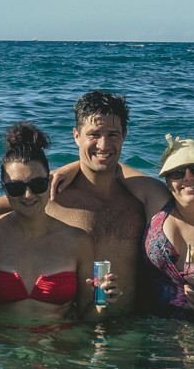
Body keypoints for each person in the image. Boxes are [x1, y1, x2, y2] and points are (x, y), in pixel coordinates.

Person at [54, 134, 194, 317]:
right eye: (177, 172)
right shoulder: (157, 202)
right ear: (168, 181)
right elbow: (110, 166)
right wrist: (71, 168)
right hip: (149, 333)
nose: (188, 177)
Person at [0, 123, 113, 324]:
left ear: (49, 181)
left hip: (59, 350)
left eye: (37, 185)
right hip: (1, 352)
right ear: (4, 188)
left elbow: (89, 315)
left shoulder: (77, 240)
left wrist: (103, 302)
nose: (28, 195)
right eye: (16, 188)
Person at [43, 91, 146, 316]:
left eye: (113, 134)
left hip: (131, 335)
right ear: (76, 136)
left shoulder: (140, 201)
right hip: (73, 334)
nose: (103, 144)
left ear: (124, 135)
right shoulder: (52, 197)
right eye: (94, 134)